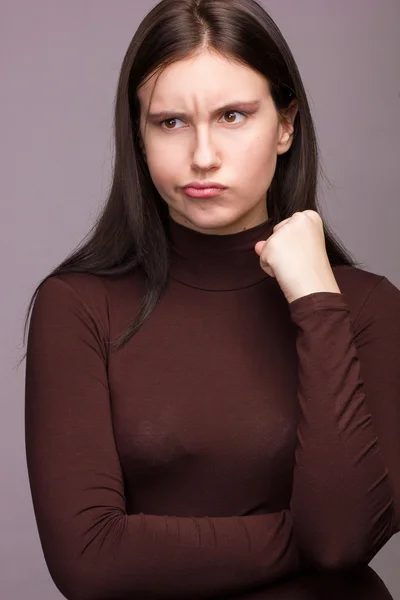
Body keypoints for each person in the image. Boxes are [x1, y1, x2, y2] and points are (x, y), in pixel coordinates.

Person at [22, 0, 400, 598]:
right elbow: (89, 561)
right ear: (138, 135)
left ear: (285, 125)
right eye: (170, 122)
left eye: (232, 115)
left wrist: (316, 301)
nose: (202, 155)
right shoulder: (77, 308)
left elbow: (342, 539)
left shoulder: (365, 307)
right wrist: (300, 538)